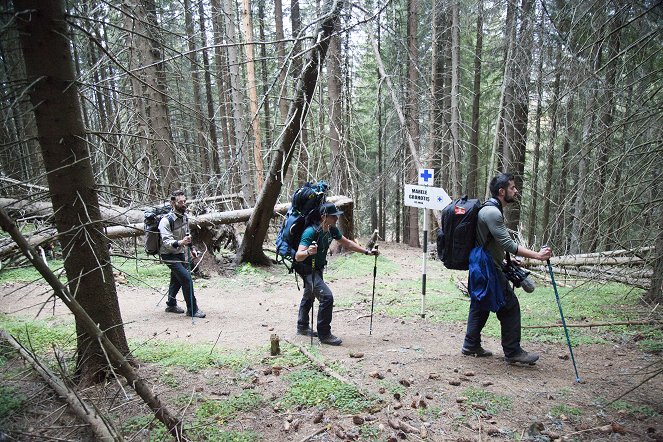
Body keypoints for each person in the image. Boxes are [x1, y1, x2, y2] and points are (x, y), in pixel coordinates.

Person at [462, 173, 551, 364]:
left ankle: (471, 344)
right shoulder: (493, 213)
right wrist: (538, 255)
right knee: (509, 306)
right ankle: (513, 352)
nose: (516, 190)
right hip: (487, 267)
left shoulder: (489, 209)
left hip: (482, 264)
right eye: (512, 187)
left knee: (480, 303)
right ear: (502, 192)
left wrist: (505, 262)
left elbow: (491, 243)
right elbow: (508, 244)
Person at [295, 202, 379, 345]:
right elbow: (298, 256)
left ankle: (302, 326)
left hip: (318, 268)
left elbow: (348, 244)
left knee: (309, 294)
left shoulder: (331, 229)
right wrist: (309, 251)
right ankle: (324, 334)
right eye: (333, 216)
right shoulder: (310, 232)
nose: (336, 219)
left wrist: (367, 252)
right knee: (327, 297)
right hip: (307, 269)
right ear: (324, 217)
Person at [159, 190, 206, 318]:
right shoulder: (165, 221)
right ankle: (193, 310)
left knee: (176, 280)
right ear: (173, 203)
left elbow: (187, 235)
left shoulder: (184, 217)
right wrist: (181, 242)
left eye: (185, 201)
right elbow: (166, 242)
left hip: (179, 253)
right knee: (186, 278)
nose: (184, 204)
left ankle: (171, 304)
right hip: (168, 254)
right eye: (181, 202)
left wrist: (192, 248)